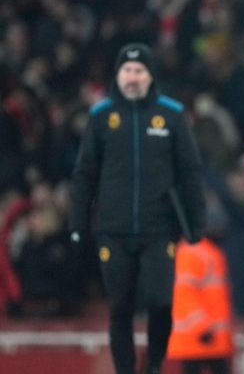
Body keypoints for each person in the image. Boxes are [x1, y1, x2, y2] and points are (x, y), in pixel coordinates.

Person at [70, 42, 206, 374]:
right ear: (117, 75)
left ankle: (154, 365)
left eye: (139, 71)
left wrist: (196, 222)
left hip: (159, 229)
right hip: (112, 231)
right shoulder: (101, 116)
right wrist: (77, 223)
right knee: (119, 307)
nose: (132, 77)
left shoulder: (170, 114)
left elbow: (190, 172)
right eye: (126, 71)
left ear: (150, 76)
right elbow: (84, 174)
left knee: (161, 302)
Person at [167, 220, 234, 374]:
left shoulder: (205, 251)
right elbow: (184, 294)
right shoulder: (195, 253)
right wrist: (201, 327)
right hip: (199, 337)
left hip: (208, 338)